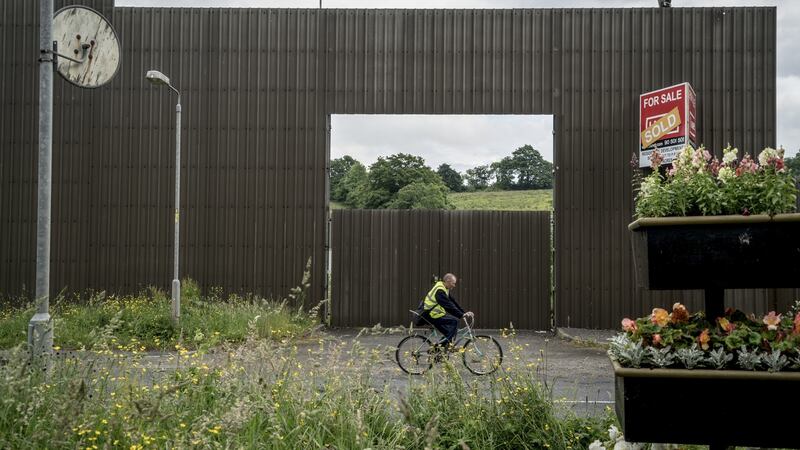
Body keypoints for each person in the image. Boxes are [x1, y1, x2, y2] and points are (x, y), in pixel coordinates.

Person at [420, 273, 474, 346]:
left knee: (448, 333)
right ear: (448, 281)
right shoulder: (440, 290)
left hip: (436, 314)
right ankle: (440, 347)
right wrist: (461, 315)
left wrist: (463, 312)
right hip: (431, 315)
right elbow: (447, 306)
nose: (454, 286)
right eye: (453, 283)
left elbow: (452, 302)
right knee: (455, 321)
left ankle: (439, 351)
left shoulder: (444, 288)